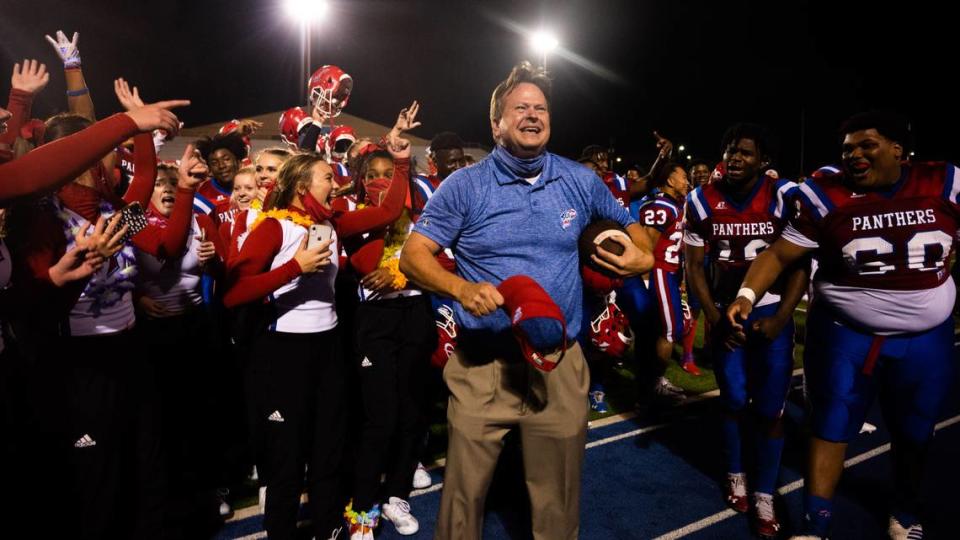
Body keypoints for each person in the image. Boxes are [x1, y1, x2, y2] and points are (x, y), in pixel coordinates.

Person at [399, 61, 653, 540]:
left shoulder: (578, 179)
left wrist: (642, 258)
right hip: (483, 366)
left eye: (540, 108)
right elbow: (413, 257)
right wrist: (460, 289)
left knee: (556, 505)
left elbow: (630, 224)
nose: (532, 115)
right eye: (520, 108)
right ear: (497, 124)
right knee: (462, 505)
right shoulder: (464, 185)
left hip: (558, 365)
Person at [728, 112, 958, 540]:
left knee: (915, 431)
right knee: (830, 425)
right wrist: (745, 296)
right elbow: (779, 254)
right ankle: (815, 527)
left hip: (927, 336)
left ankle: (905, 511)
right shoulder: (824, 194)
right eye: (848, 148)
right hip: (846, 332)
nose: (854, 154)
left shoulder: (944, 181)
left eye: (866, 145)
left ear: (896, 148)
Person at [684, 123, 807, 538]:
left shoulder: (785, 196)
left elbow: (800, 264)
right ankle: (736, 471)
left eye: (746, 153)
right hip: (724, 312)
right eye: (730, 150)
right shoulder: (700, 200)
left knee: (770, 409)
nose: (735, 158)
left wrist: (781, 316)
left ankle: (765, 493)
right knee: (735, 398)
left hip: (770, 309)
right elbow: (694, 267)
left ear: (764, 161)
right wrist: (716, 321)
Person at [222, 152, 341, 540]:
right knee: (287, 455)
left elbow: (386, 211)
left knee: (327, 448)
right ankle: (281, 532)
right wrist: (294, 267)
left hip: (328, 345)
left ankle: (328, 528)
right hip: (284, 351)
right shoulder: (274, 227)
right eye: (328, 178)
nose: (336, 184)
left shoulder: (328, 223)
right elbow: (234, 293)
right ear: (304, 186)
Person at [624, 161, 694, 407]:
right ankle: (653, 384)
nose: (687, 181)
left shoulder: (675, 204)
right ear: (670, 180)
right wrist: (645, 279)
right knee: (668, 330)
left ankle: (651, 382)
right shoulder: (662, 206)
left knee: (667, 329)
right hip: (660, 273)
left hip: (671, 273)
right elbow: (646, 247)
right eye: (683, 176)